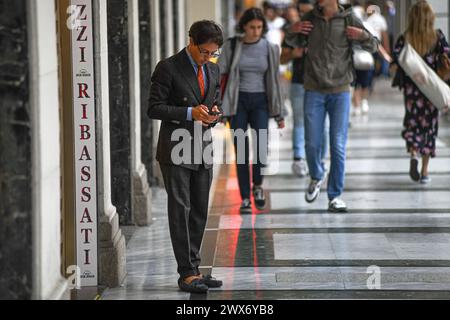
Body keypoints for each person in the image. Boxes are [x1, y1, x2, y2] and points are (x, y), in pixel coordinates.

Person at [148, 20, 224, 293]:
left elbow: (216, 101)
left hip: (202, 147)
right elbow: (154, 108)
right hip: (175, 149)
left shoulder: (213, 69)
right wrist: (190, 113)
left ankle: (195, 266)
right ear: (191, 41)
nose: (207, 57)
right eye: (204, 51)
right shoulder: (167, 67)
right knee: (181, 210)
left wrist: (214, 115)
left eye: (212, 53)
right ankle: (186, 273)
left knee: (200, 210)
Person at [286, 0, 378, 212]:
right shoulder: (310, 19)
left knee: (337, 144)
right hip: (313, 89)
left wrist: (362, 36)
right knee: (311, 142)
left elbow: (373, 44)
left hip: (340, 91)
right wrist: (292, 30)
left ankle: (335, 195)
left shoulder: (349, 18)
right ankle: (316, 176)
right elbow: (291, 42)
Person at [218, 7, 285, 214]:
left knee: (261, 147)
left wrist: (279, 112)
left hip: (260, 102)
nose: (256, 31)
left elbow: (275, 81)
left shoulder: (270, 48)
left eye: (259, 27)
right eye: (252, 27)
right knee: (241, 151)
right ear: (243, 27)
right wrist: (220, 106)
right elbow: (220, 74)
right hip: (237, 102)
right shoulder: (232, 46)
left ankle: (257, 185)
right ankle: (245, 198)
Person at [392, 0, 450, 184]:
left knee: (413, 122)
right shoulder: (437, 37)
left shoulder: (405, 37)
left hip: (412, 90)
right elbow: (447, 54)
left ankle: (413, 153)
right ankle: (425, 172)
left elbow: (396, 59)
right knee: (429, 127)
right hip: (431, 90)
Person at [281, 0, 329, 177]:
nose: (303, 16)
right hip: (299, 82)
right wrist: (294, 53)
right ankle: (299, 158)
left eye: (307, 12)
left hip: (321, 83)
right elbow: (282, 59)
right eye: (300, 12)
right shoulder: (293, 31)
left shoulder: (325, 29)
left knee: (323, 123)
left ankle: (321, 159)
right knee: (300, 121)